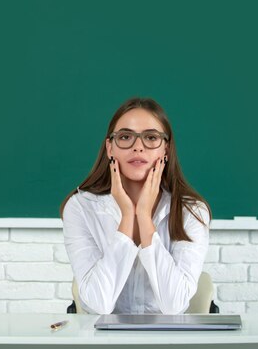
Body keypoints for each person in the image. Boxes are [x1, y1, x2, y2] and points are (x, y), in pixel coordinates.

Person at [60, 97, 211, 315]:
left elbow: (175, 305)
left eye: (151, 137)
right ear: (110, 148)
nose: (138, 147)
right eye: (125, 137)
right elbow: (97, 305)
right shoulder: (81, 208)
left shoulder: (192, 211)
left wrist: (144, 217)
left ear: (166, 150)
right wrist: (127, 217)